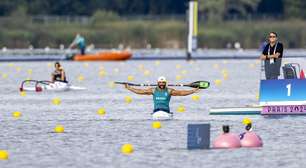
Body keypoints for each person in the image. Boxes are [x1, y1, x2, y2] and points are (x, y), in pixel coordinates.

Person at [124, 76, 200, 115]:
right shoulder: (153, 90)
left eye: (163, 82)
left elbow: (181, 93)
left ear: (165, 83)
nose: (161, 84)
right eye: (160, 82)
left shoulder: (169, 90)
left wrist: (193, 91)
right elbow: (140, 91)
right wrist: (129, 88)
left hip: (166, 112)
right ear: (158, 83)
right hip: (156, 112)